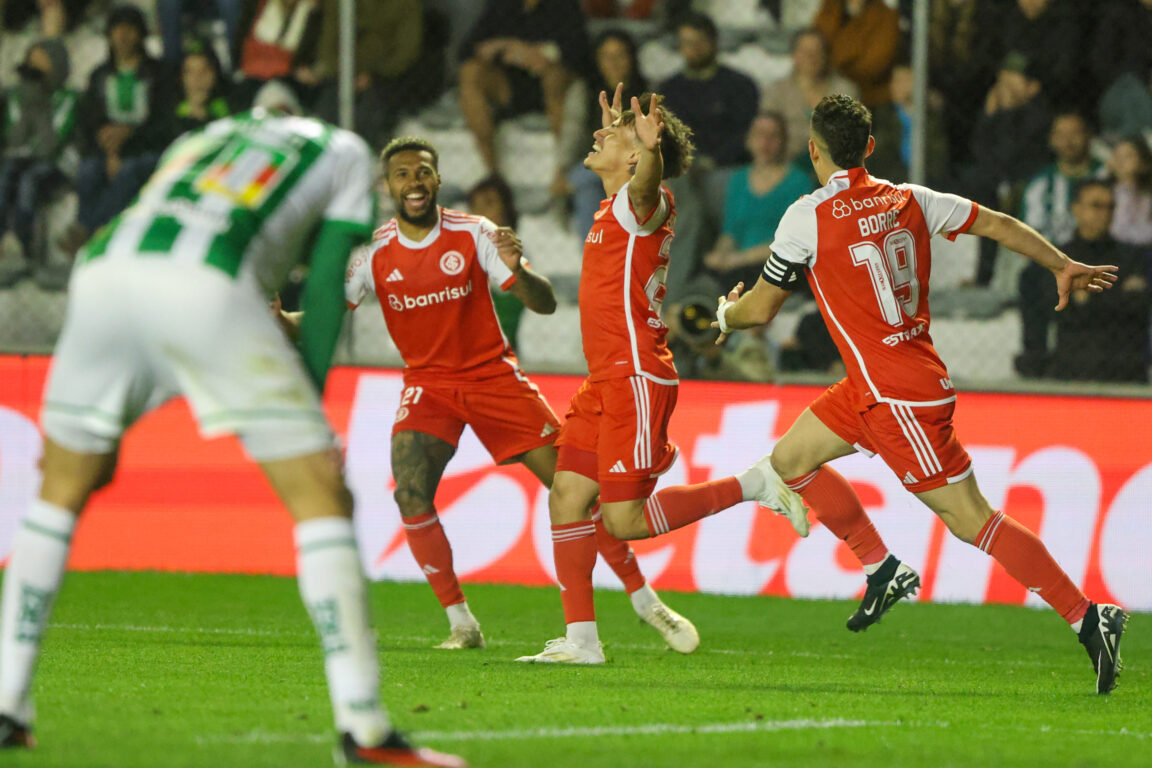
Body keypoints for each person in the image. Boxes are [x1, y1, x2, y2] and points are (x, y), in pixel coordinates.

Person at [0, 107, 466, 766]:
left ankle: (7, 704)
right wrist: (309, 403)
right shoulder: (341, 151)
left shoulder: (204, 138)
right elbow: (331, 276)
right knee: (321, 498)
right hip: (207, 284)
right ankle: (364, 731)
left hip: (103, 274)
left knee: (64, 486)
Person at [713, 94, 1128, 694]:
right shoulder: (911, 197)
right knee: (789, 461)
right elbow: (998, 224)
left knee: (971, 520)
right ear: (871, 148)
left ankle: (1088, 616)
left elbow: (761, 308)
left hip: (898, 398)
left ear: (812, 150)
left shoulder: (807, 216)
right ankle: (881, 567)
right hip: (878, 383)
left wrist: (725, 316)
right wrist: (1060, 262)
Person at [334, 136, 700, 655]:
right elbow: (327, 319)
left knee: (576, 492)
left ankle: (646, 601)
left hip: (494, 379)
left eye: (422, 173)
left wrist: (520, 269)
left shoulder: (475, 233)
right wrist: (284, 320)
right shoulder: (372, 254)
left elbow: (545, 303)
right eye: (402, 174)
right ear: (386, 184)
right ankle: (462, 624)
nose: (413, 183)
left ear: (438, 179)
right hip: (428, 385)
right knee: (410, 492)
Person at [516, 87, 806, 665]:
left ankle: (755, 484)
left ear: (636, 158)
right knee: (567, 496)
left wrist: (645, 150)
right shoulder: (610, 208)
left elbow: (646, 187)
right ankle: (582, 642)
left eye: (613, 135)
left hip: (637, 379)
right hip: (605, 381)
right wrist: (625, 139)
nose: (598, 136)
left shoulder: (643, 201)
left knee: (623, 520)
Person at [65, 5, 176, 249]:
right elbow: (89, 120)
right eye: (117, 29)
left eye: (130, 29)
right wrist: (110, 150)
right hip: (105, 150)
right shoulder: (99, 75)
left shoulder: (160, 73)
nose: (123, 36)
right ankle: (87, 229)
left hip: (145, 148)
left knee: (129, 171)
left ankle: (89, 231)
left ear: (141, 34)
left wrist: (129, 139)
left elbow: (164, 122)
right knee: (89, 171)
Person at [1018, 180, 1151, 382]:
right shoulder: (1057, 259)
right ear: (1076, 209)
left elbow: (1140, 307)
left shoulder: (1134, 257)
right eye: (1096, 206)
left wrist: (1086, 300)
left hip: (1126, 369)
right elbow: (1055, 310)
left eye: (1110, 207)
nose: (1105, 213)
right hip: (1074, 369)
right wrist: (1119, 295)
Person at [456, 0, 592, 176]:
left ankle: (562, 172)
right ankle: (492, 173)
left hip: (552, 90)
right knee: (470, 73)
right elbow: (466, 50)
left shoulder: (564, 6)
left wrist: (538, 53)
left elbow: (579, 52)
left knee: (555, 76)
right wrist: (504, 45)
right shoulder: (502, 6)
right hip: (510, 86)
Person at [702, 111, 814, 292]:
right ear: (749, 139)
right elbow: (730, 231)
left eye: (772, 136)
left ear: (783, 141)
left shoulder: (799, 182)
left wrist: (739, 259)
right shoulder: (738, 179)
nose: (765, 143)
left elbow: (796, 242)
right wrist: (721, 256)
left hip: (777, 268)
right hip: (737, 267)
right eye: (759, 134)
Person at [0, 38, 78, 286]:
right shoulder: (14, 97)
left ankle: (28, 251)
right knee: (5, 178)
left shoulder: (69, 98)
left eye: (42, 63)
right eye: (31, 63)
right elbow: (14, 139)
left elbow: (49, 146)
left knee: (29, 181)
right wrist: (27, 106)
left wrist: (40, 106)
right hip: (18, 160)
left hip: (56, 162)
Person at [760, 28, 859, 167]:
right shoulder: (776, 92)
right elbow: (767, 133)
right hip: (786, 166)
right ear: (794, 55)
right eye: (805, 51)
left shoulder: (844, 90)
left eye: (817, 51)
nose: (811, 57)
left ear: (825, 55)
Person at [1018, 112, 1101, 248]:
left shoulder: (1107, 176)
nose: (1068, 141)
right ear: (1051, 139)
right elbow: (1026, 234)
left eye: (1075, 133)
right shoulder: (1040, 184)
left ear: (1089, 135)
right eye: (1061, 135)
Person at [811, 0, 900, 106]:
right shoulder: (828, 10)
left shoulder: (886, 16)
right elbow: (815, 47)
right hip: (821, 90)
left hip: (869, 98)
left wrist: (833, 66)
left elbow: (874, 65)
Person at [1106, 136, 1152, 248]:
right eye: (1117, 156)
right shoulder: (1105, 191)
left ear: (1143, 161)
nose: (1120, 161)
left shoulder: (1147, 195)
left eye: (1128, 156)